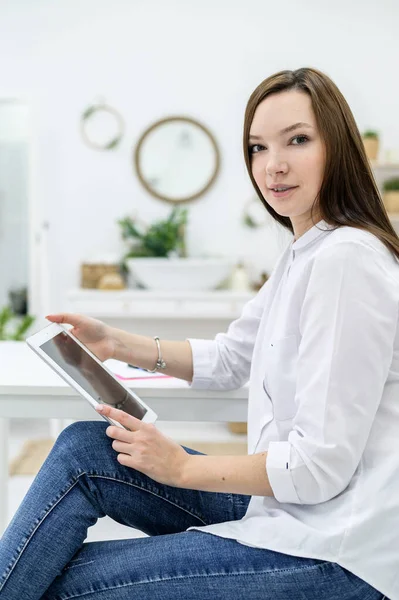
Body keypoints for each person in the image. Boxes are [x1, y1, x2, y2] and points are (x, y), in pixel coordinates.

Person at [0, 66, 397, 600]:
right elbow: (233, 357)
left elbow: (320, 466)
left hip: (335, 547)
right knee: (84, 449)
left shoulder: (347, 260)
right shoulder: (307, 251)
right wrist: (117, 344)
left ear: (340, 148)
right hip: (289, 509)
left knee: (59, 581)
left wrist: (182, 466)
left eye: (297, 140)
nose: (273, 165)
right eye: (257, 148)